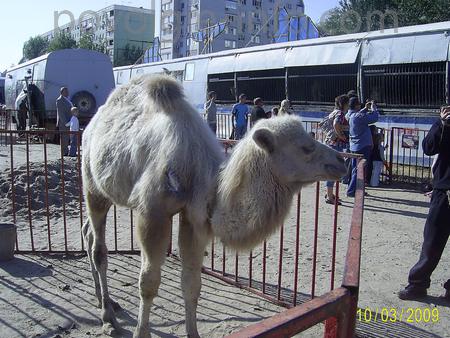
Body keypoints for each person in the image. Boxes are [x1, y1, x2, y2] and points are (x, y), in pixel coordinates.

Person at [398, 106, 450, 301]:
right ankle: (418, 285)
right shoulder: (445, 123)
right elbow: (429, 148)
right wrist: (442, 124)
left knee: (432, 241)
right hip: (445, 191)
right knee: (432, 242)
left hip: (443, 189)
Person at [346, 97, 379, 197]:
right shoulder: (358, 116)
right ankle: (352, 191)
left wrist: (365, 108)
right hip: (362, 146)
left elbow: (359, 115)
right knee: (360, 170)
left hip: (354, 146)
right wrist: (374, 108)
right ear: (356, 105)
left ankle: (355, 189)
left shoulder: (350, 114)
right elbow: (374, 118)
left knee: (355, 169)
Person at [324, 95, 350, 204]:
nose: (349, 105)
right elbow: (336, 124)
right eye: (347, 103)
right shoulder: (340, 114)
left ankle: (329, 193)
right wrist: (341, 136)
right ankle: (330, 197)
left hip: (331, 143)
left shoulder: (334, 112)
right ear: (344, 104)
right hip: (335, 144)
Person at [56, 87, 73, 156]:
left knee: (67, 137)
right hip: (64, 123)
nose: (68, 92)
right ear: (62, 92)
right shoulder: (59, 100)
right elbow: (61, 113)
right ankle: (64, 152)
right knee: (64, 137)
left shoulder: (67, 99)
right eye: (66, 91)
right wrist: (65, 122)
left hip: (69, 121)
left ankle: (66, 151)